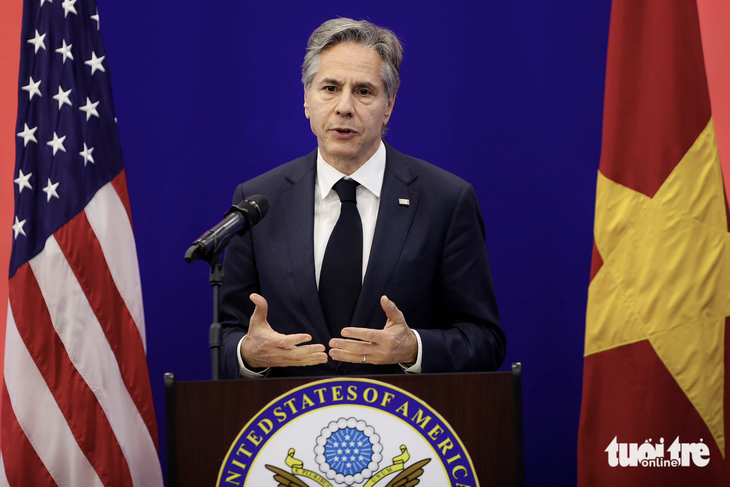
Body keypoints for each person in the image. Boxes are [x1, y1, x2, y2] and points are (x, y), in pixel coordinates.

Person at [219, 18, 505, 378]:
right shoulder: (259, 202)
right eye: (330, 88)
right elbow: (228, 336)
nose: (344, 107)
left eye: (364, 91)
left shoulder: (446, 201)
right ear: (306, 99)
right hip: (290, 425)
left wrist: (414, 348)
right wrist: (250, 353)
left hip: (403, 426)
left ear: (388, 105)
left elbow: (484, 340)